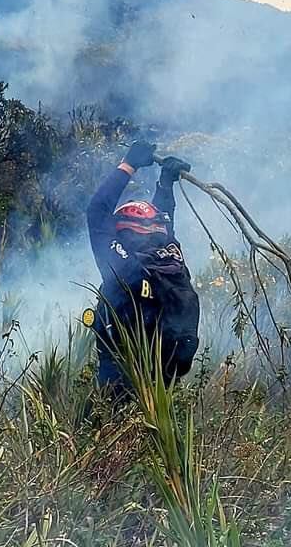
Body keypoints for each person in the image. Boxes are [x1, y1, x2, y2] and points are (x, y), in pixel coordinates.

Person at [86, 141, 200, 394]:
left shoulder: (122, 265)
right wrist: (165, 184)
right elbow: (165, 216)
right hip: (164, 379)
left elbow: (97, 210)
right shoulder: (170, 254)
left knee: (105, 424)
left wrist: (129, 165)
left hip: (121, 376)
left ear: (123, 229)